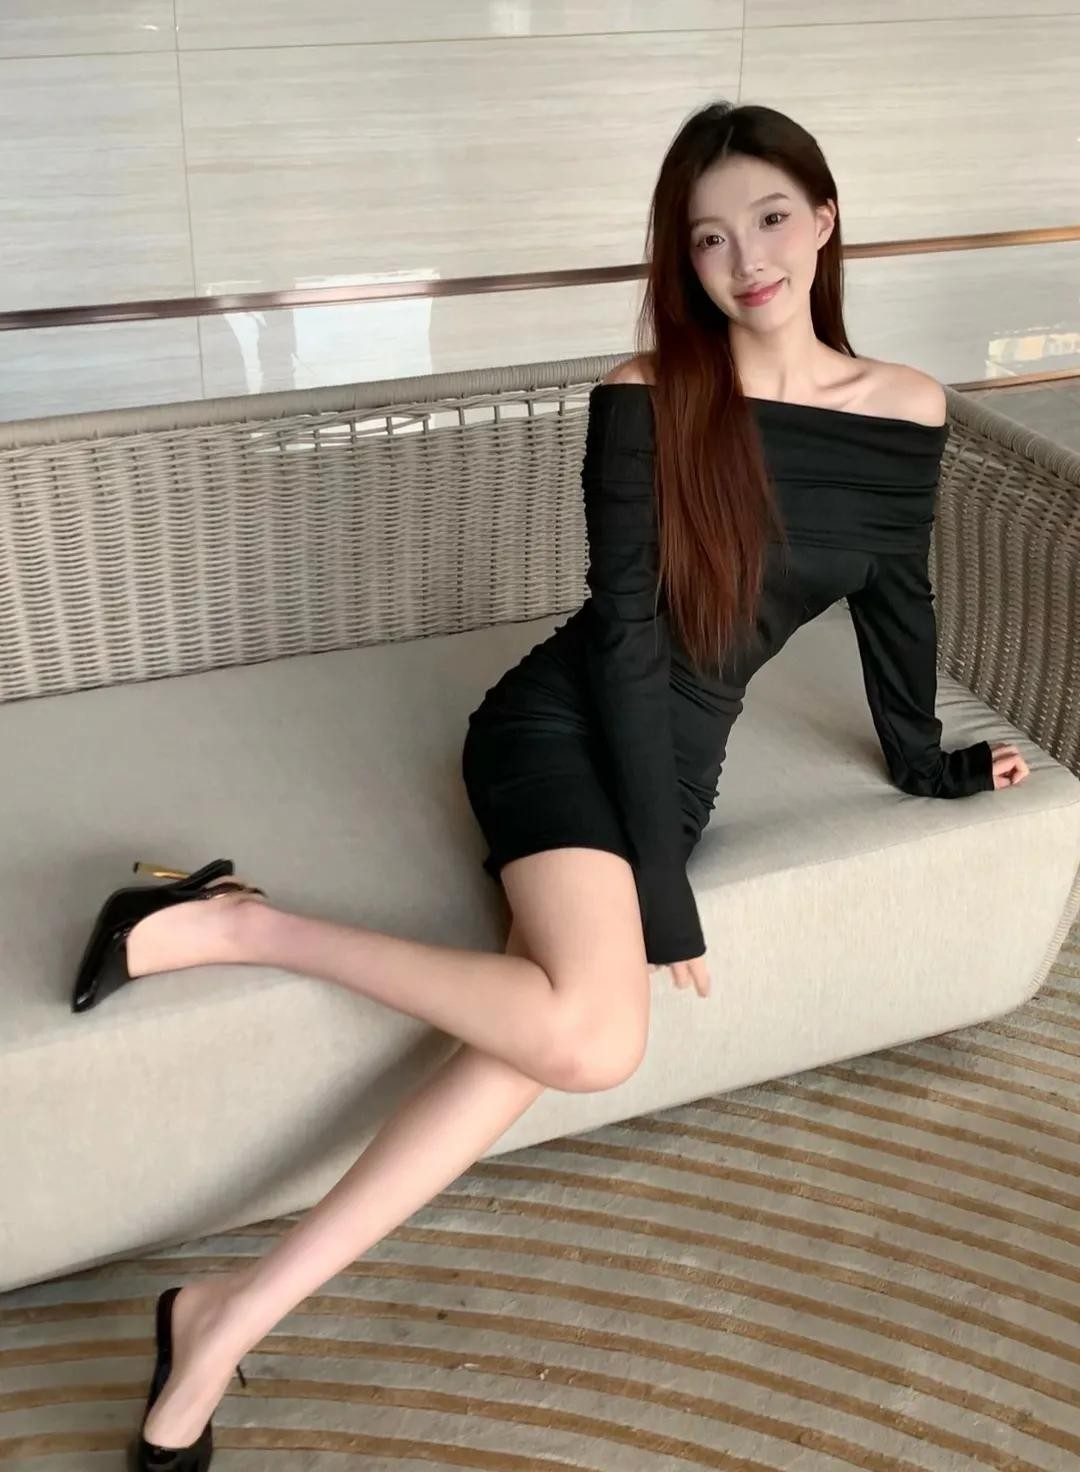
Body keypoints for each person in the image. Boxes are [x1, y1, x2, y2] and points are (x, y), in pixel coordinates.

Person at [71, 100, 1030, 1463]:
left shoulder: (907, 410)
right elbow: (628, 646)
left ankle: (223, 1317)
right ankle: (236, 926)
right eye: (707, 238)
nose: (745, 259)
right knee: (593, 1038)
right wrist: (663, 892)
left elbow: (897, 601)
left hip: (676, 764)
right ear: (681, 260)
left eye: (769, 218)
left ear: (824, 218)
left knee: (537, 1038)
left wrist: (927, 762)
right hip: (564, 724)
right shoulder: (648, 395)